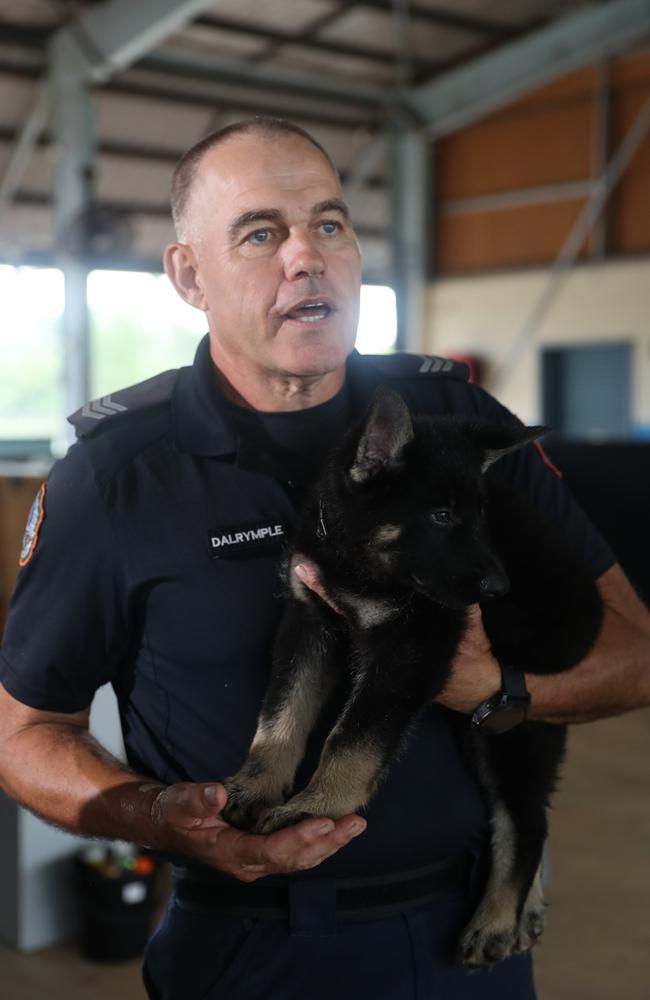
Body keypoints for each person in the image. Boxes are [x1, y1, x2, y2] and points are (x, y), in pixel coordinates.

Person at [1, 118, 649, 1000]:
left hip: (465, 943)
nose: (307, 256)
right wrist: (163, 818)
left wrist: (499, 690)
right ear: (190, 275)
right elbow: (26, 734)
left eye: (330, 224)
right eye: (262, 232)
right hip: (252, 948)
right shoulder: (116, 481)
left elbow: (635, 652)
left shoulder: (456, 428)